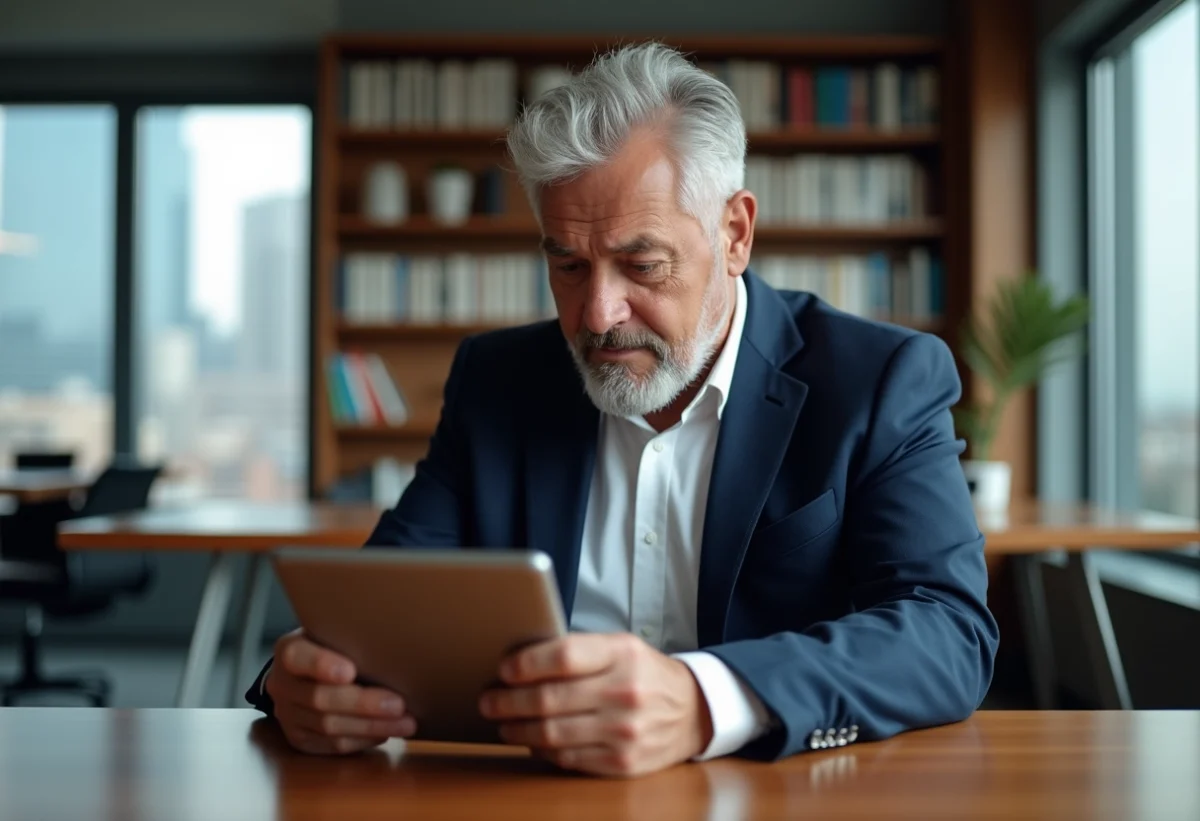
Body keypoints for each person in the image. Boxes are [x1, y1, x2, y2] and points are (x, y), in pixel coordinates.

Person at [248, 41, 999, 777]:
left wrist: (706, 700)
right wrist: (303, 684)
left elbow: (946, 631)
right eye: (567, 265)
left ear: (734, 233)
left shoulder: (879, 379)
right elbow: (382, 605)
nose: (599, 314)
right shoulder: (497, 379)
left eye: (642, 265)